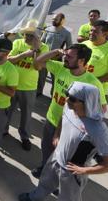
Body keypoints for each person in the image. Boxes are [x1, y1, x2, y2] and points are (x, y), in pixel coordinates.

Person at [19, 82, 108, 201]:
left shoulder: (98, 129)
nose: (67, 100)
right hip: (56, 157)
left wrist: (83, 170)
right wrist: (56, 135)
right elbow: (63, 117)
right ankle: (36, 197)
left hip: (72, 170)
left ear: (86, 101)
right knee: (45, 182)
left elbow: (107, 164)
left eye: (73, 99)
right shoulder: (69, 107)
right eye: (68, 96)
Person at [32, 44, 107, 178]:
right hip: (51, 119)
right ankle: (45, 168)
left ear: (81, 61)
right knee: (46, 148)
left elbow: (101, 109)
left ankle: (55, 180)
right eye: (65, 55)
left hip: (71, 128)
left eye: (69, 57)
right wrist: (56, 51)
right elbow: (37, 62)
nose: (65, 58)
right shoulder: (60, 68)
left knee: (63, 156)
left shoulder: (93, 83)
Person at [7, 21, 49, 150]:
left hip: (29, 87)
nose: (27, 37)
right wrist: (25, 54)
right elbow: (9, 60)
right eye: (26, 34)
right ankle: (3, 129)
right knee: (7, 111)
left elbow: (37, 67)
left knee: (26, 114)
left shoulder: (45, 48)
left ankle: (24, 136)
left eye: (31, 35)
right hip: (12, 84)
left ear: (37, 36)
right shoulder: (17, 43)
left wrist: (36, 50)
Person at [38, 13, 73, 95]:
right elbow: (42, 42)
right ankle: (39, 92)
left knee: (55, 79)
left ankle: (53, 94)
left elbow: (69, 47)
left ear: (62, 21)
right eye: (53, 19)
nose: (53, 21)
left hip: (57, 60)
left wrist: (63, 53)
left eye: (56, 19)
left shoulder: (66, 33)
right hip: (45, 58)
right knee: (41, 77)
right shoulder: (47, 29)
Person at [83, 20, 108, 98]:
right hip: (80, 88)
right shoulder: (84, 44)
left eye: (95, 32)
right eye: (91, 30)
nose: (91, 33)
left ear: (105, 34)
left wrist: (95, 82)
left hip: (98, 93)